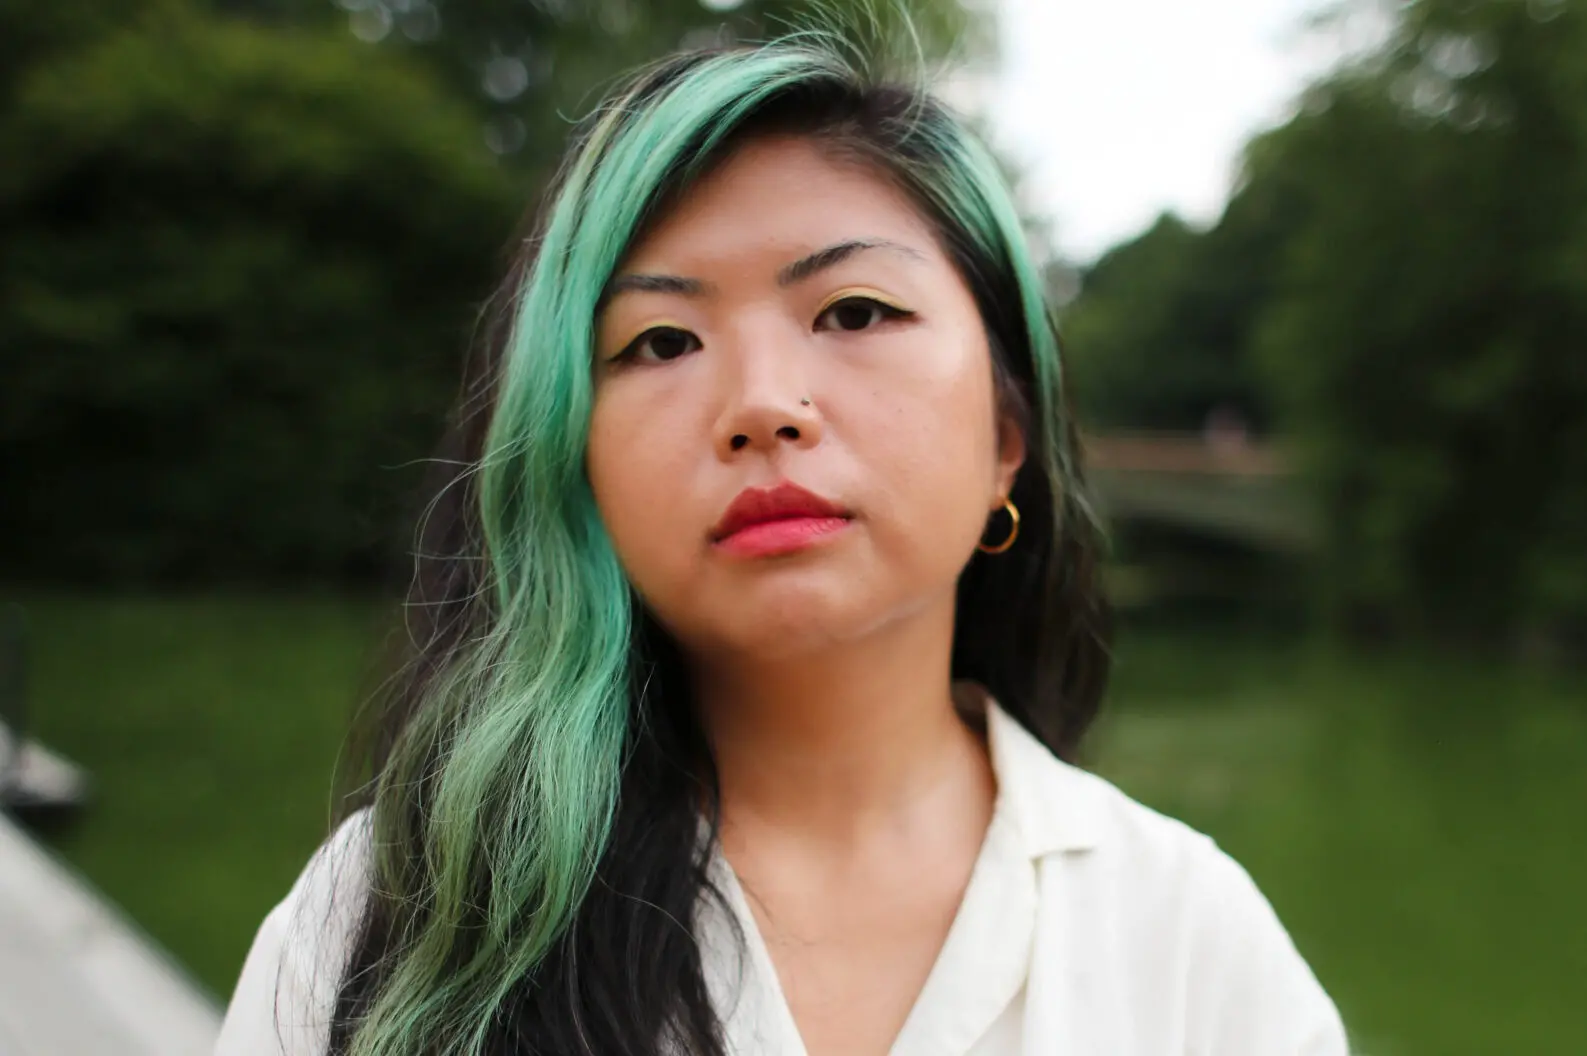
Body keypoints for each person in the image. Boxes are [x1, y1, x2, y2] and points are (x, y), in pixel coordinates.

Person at [215, 27, 1351, 1056]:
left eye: (854, 313)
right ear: (574, 453)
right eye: (661, 341)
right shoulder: (403, 917)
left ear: (1008, 435)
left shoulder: (1192, 948)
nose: (762, 403)